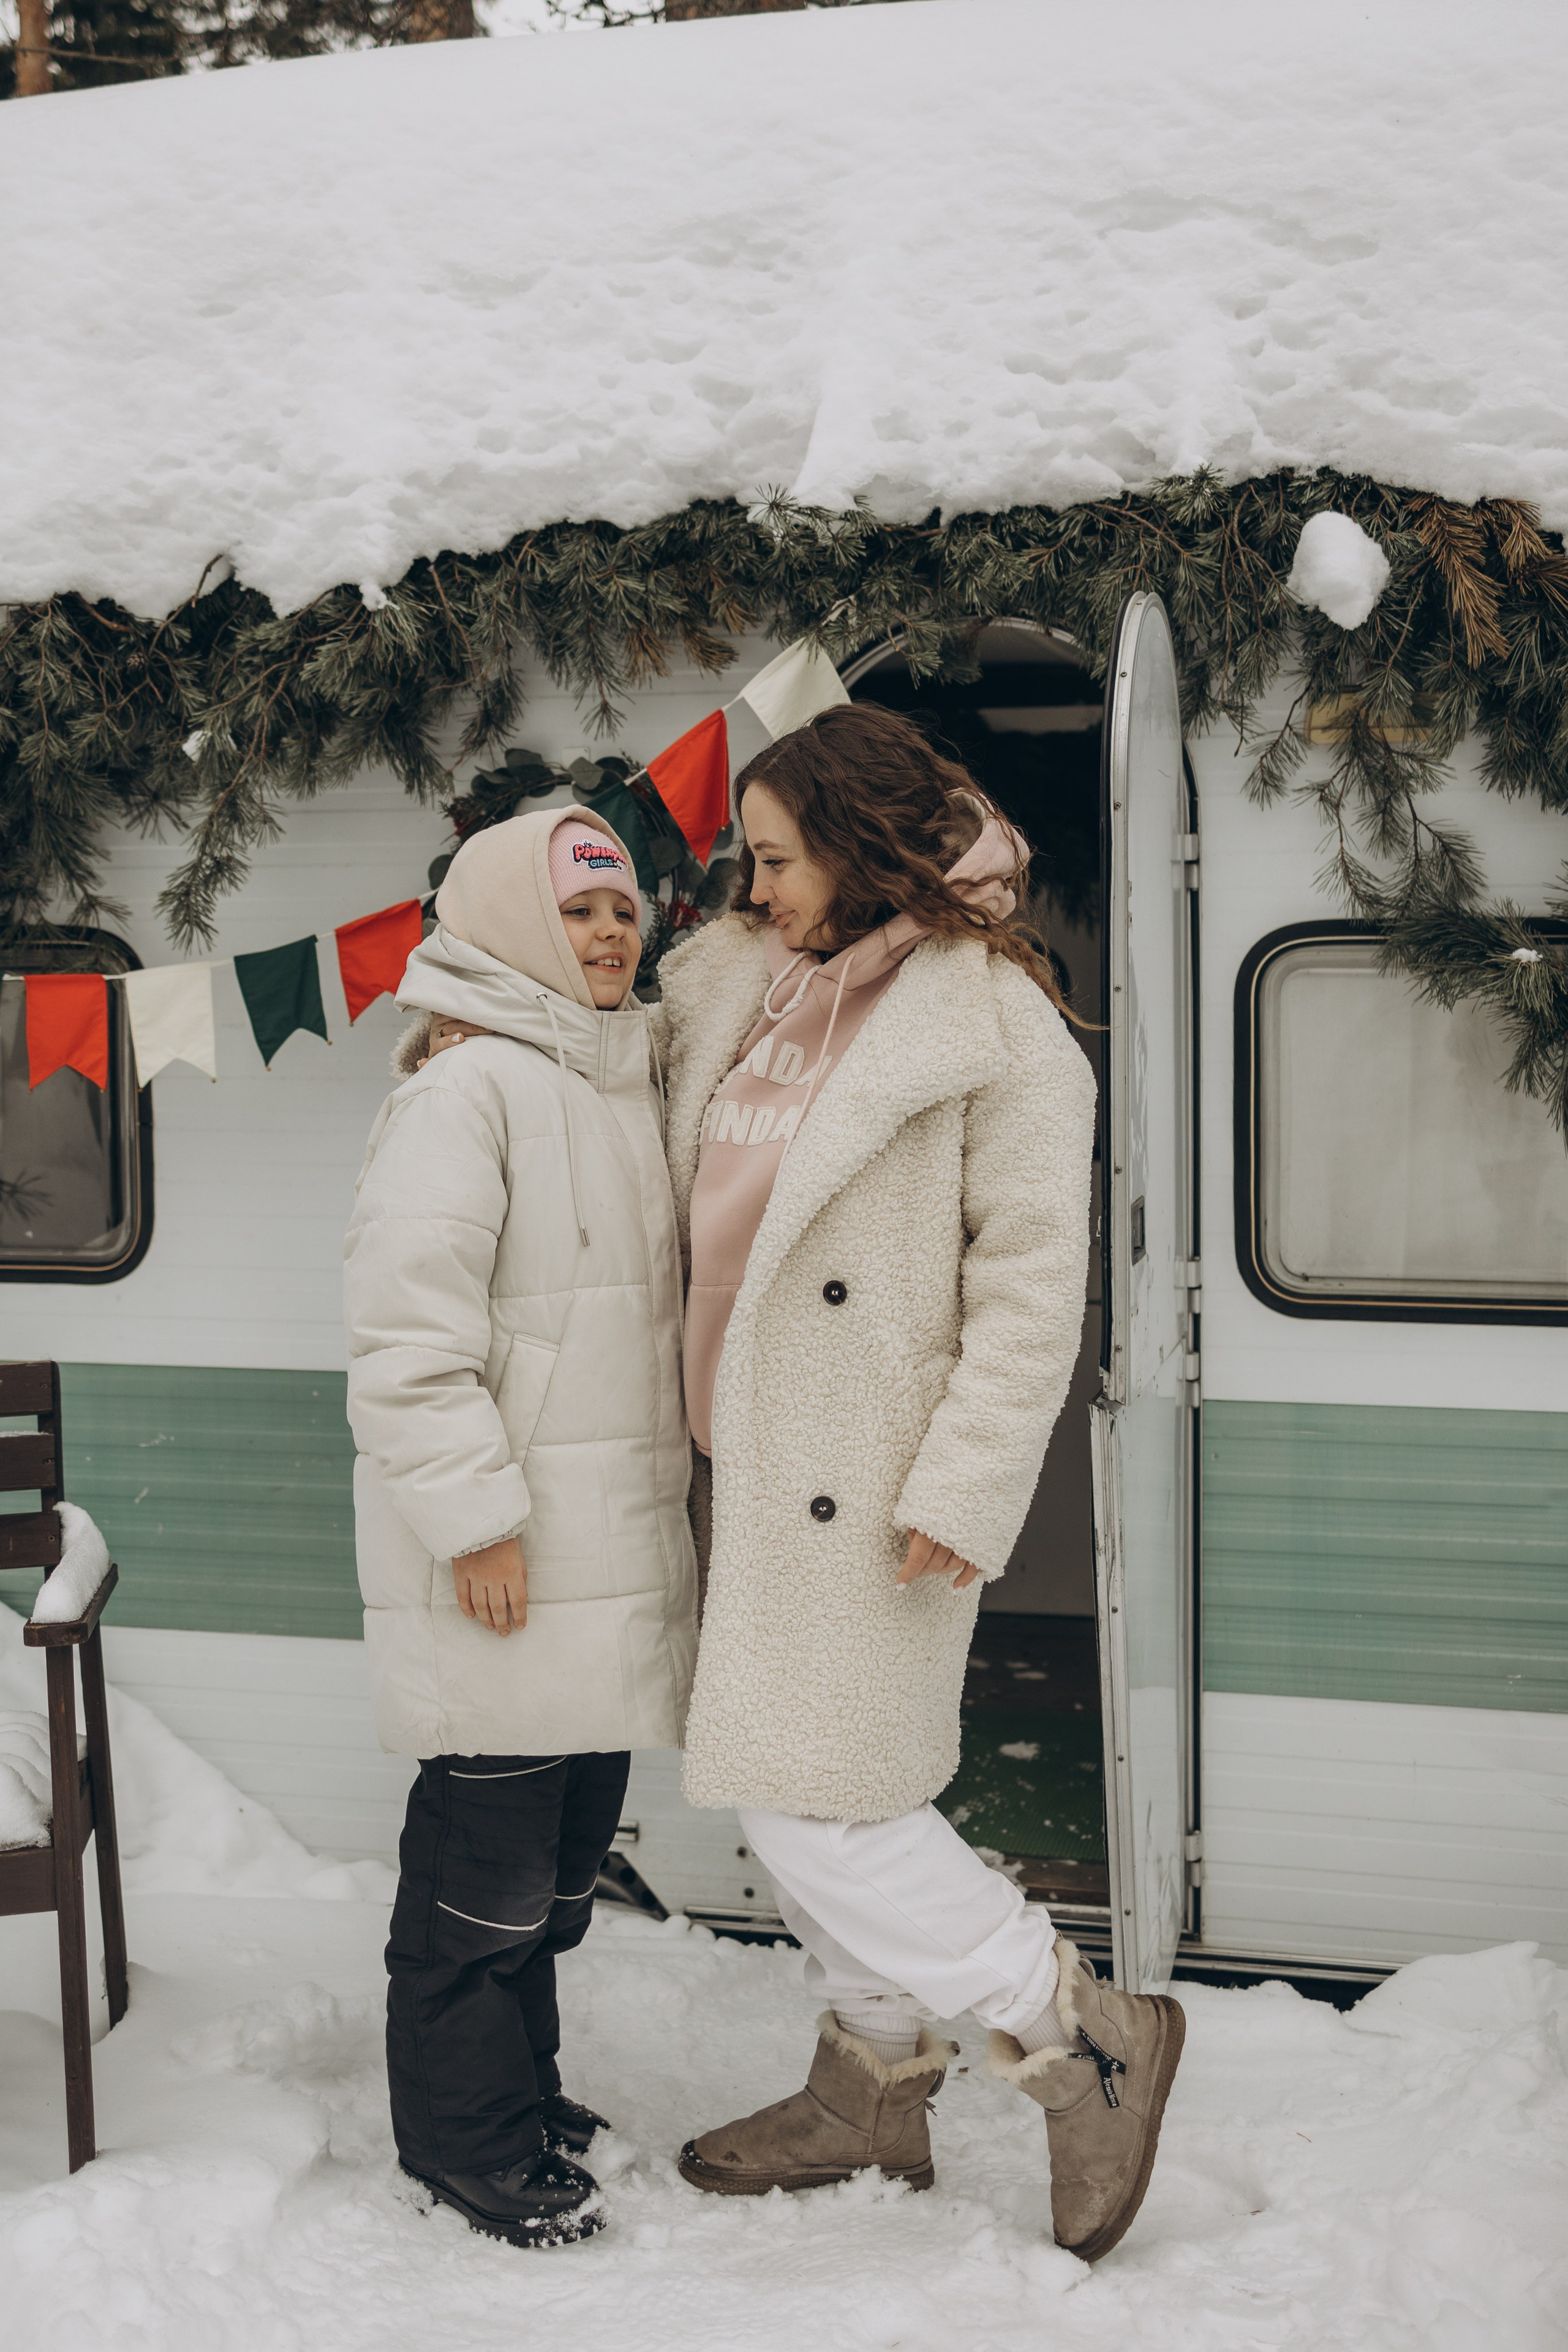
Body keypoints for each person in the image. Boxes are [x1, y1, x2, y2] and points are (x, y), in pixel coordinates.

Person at [654, 701, 1183, 2263]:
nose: (752, 891)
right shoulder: (743, 986)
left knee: (832, 1800)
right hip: (723, 1457)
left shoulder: (992, 1023)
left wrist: (966, 1478)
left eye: (774, 860)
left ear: (861, 846)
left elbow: (1030, 1285)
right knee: (781, 1780)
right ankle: (869, 2085)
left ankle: (1079, 2038)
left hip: (869, 1479)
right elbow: (601, 1042)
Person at [344, 807, 697, 2249]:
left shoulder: (615, 1078)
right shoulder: (467, 1090)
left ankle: (518, 2095)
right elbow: (404, 1339)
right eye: (579, 913)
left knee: (552, 1881)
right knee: (476, 1888)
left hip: (604, 1550)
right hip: (508, 1560)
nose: (611, 936)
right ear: (500, 924)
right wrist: (476, 1522)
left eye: (623, 912)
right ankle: (460, 2142)